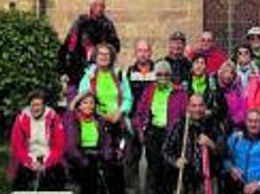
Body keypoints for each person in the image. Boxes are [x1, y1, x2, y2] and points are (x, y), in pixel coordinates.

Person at [78, 43, 133, 194]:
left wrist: (119, 113)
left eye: (107, 54)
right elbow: (82, 101)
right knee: (95, 170)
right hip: (96, 125)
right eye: (100, 54)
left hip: (117, 125)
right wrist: (100, 115)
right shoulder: (88, 77)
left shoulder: (119, 75)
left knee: (115, 168)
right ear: (95, 57)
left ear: (112, 57)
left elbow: (128, 98)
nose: (103, 57)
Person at [133, 61, 188, 194]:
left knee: (168, 169)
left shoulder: (179, 92)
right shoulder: (149, 90)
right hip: (153, 133)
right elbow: (139, 113)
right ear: (154, 76)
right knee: (154, 169)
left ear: (171, 75)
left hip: (171, 134)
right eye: (159, 74)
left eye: (166, 74)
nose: (162, 77)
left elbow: (186, 115)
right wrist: (140, 130)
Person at [58, 0, 121, 102]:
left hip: (98, 72)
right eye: (97, 5)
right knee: (73, 104)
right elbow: (69, 44)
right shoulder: (80, 23)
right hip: (76, 70)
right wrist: (63, 69)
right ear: (91, 7)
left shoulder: (107, 25)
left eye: (102, 6)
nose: (100, 9)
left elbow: (115, 46)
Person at [163, 94, 226, 194]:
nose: (197, 109)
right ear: (188, 107)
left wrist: (211, 144)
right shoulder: (179, 125)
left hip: (208, 179)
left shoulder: (213, 124)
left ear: (205, 107)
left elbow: (223, 150)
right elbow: (166, 149)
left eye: (200, 105)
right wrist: (175, 161)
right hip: (186, 179)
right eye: (194, 105)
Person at [8, 90, 66, 191]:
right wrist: (30, 162)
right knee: (21, 175)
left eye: (38, 105)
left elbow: (59, 146)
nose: (35, 108)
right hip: (28, 157)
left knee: (54, 176)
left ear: (44, 106)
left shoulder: (54, 118)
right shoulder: (21, 118)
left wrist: (47, 163)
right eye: (33, 105)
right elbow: (17, 146)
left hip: (49, 156)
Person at [64, 92, 115, 194]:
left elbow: (106, 142)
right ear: (79, 106)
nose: (89, 106)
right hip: (79, 158)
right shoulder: (72, 120)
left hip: (97, 157)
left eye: (91, 103)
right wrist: (83, 161)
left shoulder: (100, 121)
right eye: (85, 103)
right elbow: (71, 147)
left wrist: (106, 155)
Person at [127, 38, 156, 194]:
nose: (143, 54)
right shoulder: (129, 72)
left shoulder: (157, 71)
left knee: (153, 159)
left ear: (150, 52)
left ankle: (150, 190)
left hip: (153, 122)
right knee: (132, 158)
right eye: (140, 50)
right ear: (135, 53)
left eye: (145, 51)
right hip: (134, 121)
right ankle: (134, 189)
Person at [215, 60, 248, 132]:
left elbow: (244, 108)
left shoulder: (239, 90)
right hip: (218, 125)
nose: (228, 75)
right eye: (225, 72)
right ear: (221, 73)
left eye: (231, 73)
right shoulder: (215, 89)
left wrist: (234, 120)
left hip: (236, 125)